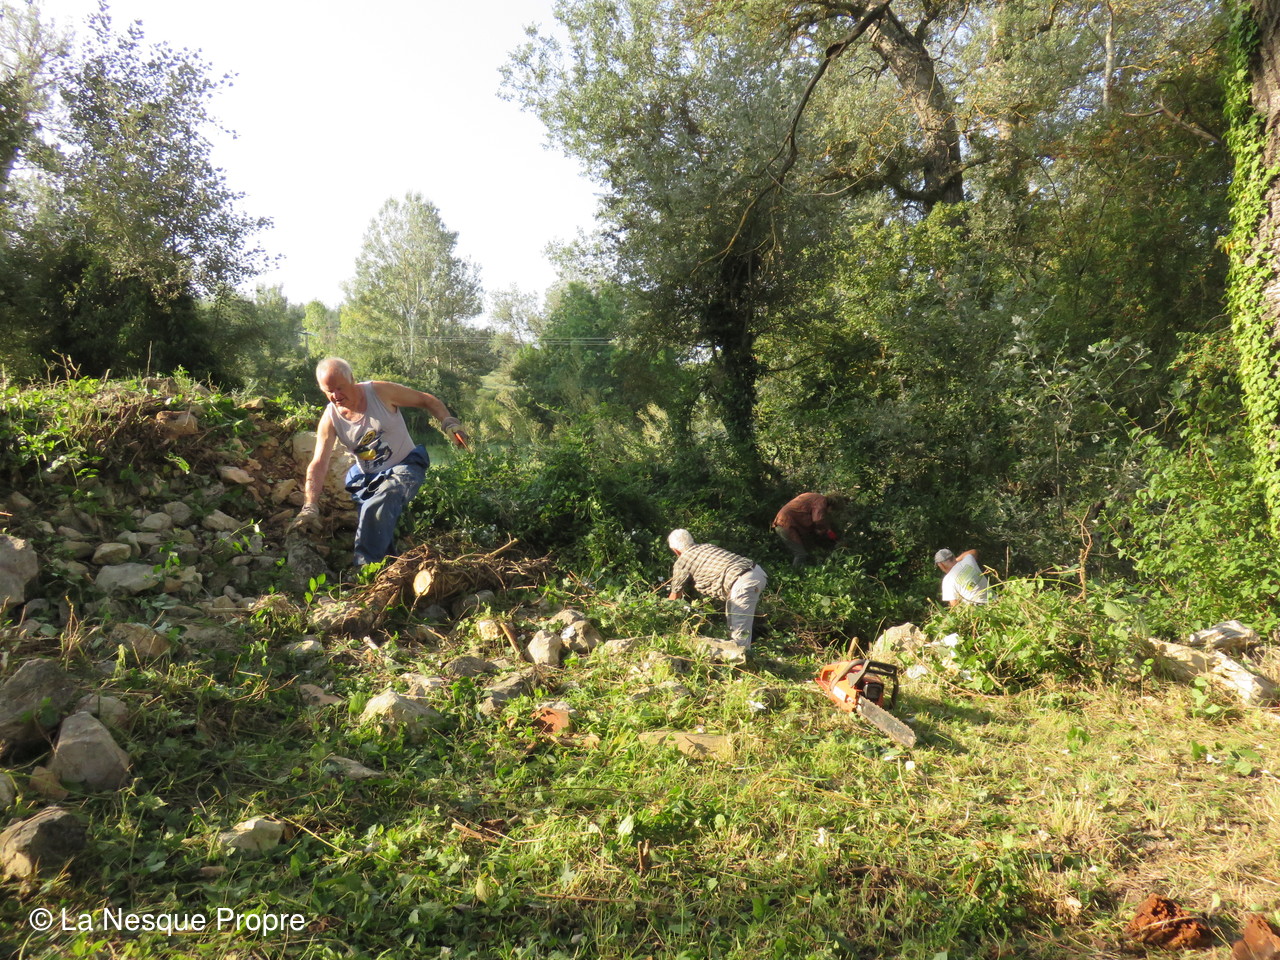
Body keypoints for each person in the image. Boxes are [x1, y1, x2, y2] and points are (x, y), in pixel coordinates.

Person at [290, 357, 469, 568]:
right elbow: (319, 463)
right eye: (329, 391)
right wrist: (310, 505)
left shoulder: (379, 392)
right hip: (367, 478)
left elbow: (426, 400)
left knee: (386, 494)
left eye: (340, 388)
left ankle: (363, 569)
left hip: (405, 466)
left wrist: (448, 422)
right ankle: (390, 573)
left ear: (352, 379)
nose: (336, 396)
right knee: (376, 527)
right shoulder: (331, 419)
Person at [666, 529, 767, 663]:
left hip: (742, 582)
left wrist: (664, 614)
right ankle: (747, 656)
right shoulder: (706, 546)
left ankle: (742, 666)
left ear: (676, 551)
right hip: (756, 572)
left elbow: (674, 597)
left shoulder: (683, 561)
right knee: (735, 622)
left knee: (739, 633)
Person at [771, 492, 839, 568]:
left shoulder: (814, 497)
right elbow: (818, 519)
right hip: (786, 524)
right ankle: (795, 573)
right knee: (800, 554)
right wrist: (826, 529)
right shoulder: (821, 501)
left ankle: (806, 570)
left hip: (784, 522)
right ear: (831, 506)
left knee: (809, 549)